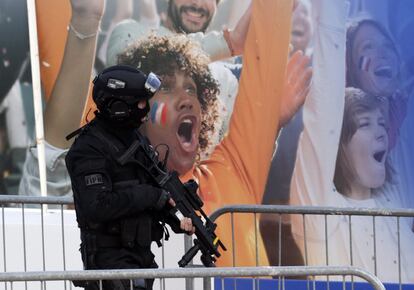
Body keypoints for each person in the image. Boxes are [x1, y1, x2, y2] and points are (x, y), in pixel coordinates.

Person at [23, 0, 311, 266]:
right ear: (136, 108)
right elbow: (55, 157)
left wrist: (269, 126)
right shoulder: (104, 171)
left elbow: (271, 24)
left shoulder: (227, 170)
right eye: (166, 87)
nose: (186, 100)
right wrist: (86, 20)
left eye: (192, 89)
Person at [289, 0, 414, 282]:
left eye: (381, 123)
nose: (381, 132)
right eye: (365, 124)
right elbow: (325, 110)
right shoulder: (322, 211)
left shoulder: (396, 201)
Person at [65, 65, 194, 290]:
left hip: (140, 258)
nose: (145, 109)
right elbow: (97, 206)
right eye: (140, 103)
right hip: (109, 263)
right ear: (118, 107)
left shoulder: (134, 138)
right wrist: (151, 196)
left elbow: (152, 185)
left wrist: (176, 220)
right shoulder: (88, 149)